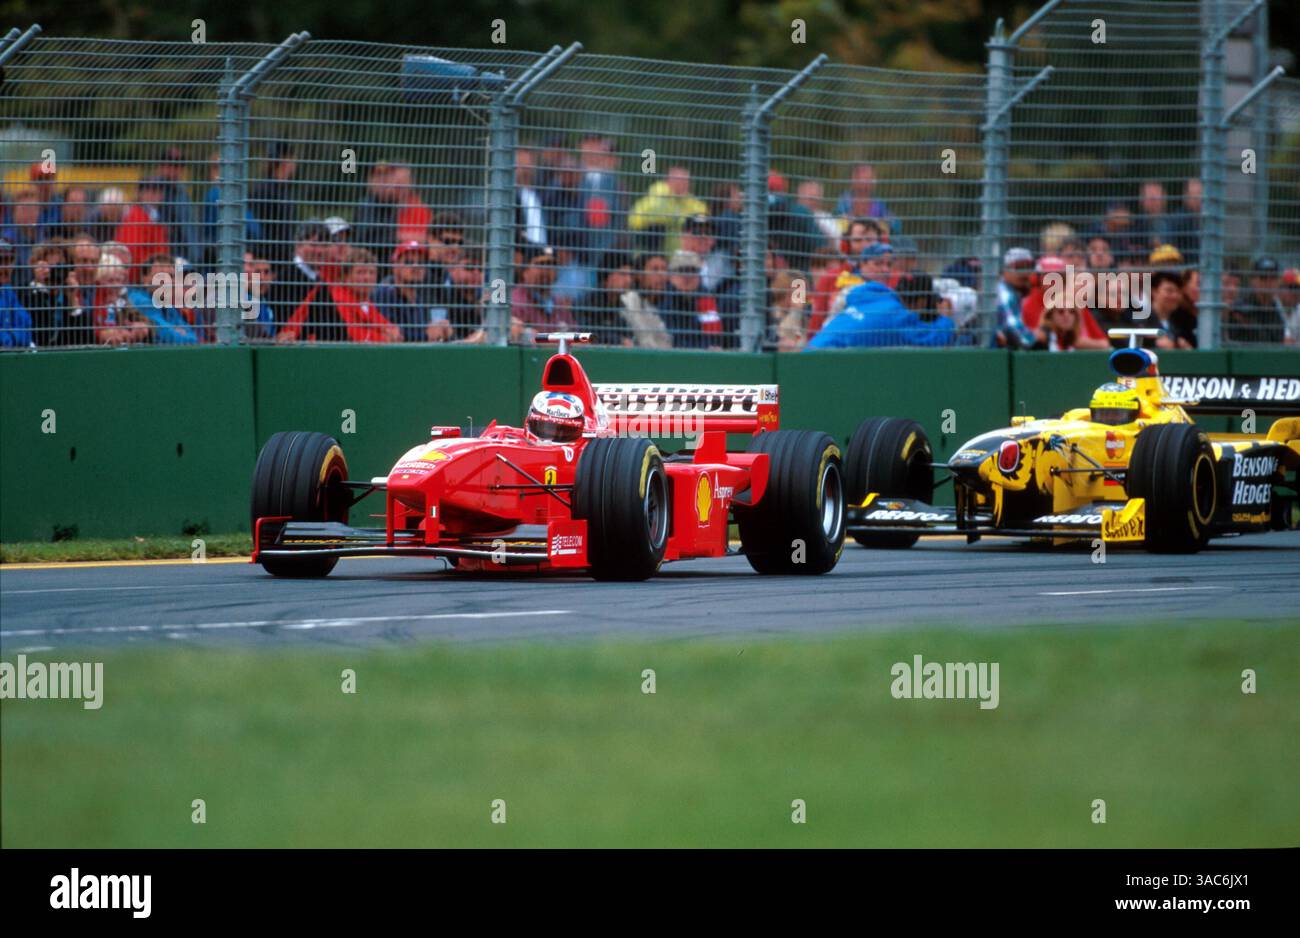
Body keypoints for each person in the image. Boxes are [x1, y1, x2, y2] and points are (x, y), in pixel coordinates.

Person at [806, 243, 953, 349]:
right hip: (824, 364)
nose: (884, 269)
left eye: (888, 264)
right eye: (878, 263)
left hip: (811, 350)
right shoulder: (899, 317)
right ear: (921, 302)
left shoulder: (868, 291)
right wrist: (946, 319)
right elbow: (931, 339)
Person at [271, 221, 346, 343]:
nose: (320, 251)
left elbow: (337, 328)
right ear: (298, 245)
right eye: (314, 244)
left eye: (325, 245)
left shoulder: (318, 282)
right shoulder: (285, 281)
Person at [373, 240, 453, 343]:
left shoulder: (421, 297)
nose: (416, 266)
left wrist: (445, 332)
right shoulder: (385, 293)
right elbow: (394, 336)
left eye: (421, 263)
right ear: (395, 266)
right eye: (408, 262)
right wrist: (427, 335)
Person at [628, 166, 708, 257]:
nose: (682, 183)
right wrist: (676, 220)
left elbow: (703, 222)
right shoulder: (655, 197)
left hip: (685, 257)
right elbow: (633, 221)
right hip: (651, 254)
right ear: (667, 181)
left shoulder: (695, 204)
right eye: (678, 179)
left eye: (685, 180)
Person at [328, 248, 401, 343]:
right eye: (360, 272)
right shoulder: (339, 298)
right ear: (345, 277)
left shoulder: (365, 302)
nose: (367, 278)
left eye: (372, 273)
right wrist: (384, 338)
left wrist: (394, 332)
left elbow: (386, 325)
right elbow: (352, 332)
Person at [660, 250, 724, 350]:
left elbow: (713, 337)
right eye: (682, 271)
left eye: (692, 271)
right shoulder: (662, 297)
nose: (687, 277)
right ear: (671, 276)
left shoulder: (705, 298)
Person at [129, 254, 198, 344]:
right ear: (145, 279)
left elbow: (193, 339)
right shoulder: (140, 300)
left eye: (171, 276)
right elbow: (167, 336)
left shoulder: (167, 305)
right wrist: (175, 330)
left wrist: (173, 331)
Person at [617, 252, 672, 349]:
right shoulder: (627, 302)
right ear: (639, 275)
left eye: (664, 269)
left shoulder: (668, 305)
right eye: (655, 269)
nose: (661, 274)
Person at [93, 255, 150, 345]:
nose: (116, 285)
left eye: (119, 280)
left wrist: (139, 325)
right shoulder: (94, 300)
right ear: (99, 281)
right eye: (110, 281)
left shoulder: (122, 298)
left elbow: (138, 318)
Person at [992, 247, 1037, 348]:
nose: (1025, 272)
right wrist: (1035, 338)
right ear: (1005, 270)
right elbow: (1015, 331)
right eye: (1019, 267)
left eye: (1029, 266)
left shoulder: (1017, 292)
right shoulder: (1003, 292)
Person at [0, 238, 33, 349]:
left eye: (10, 260)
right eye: (1, 260)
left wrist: (9, 340)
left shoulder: (7, 290)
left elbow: (26, 326)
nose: (6, 267)